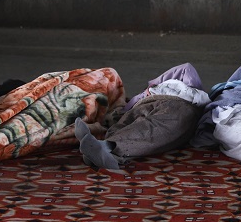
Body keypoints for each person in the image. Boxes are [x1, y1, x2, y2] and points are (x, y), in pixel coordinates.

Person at [74, 63, 210, 170]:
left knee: (144, 126)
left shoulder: (179, 90)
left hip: (159, 102)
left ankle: (103, 148)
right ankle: (106, 151)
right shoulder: (188, 95)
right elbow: (187, 69)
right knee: (143, 127)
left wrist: (130, 105)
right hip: (162, 103)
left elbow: (186, 68)